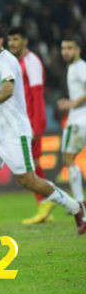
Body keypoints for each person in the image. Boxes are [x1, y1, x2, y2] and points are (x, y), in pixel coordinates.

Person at [0, 23, 86, 239]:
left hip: (14, 130)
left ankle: (76, 207)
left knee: (28, 180)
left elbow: (8, 90)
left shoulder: (7, 60)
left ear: (0, 40)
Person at [7, 27, 52, 224]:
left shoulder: (32, 62)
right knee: (31, 166)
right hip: (22, 122)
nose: (12, 43)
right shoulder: (18, 63)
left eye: (16, 39)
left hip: (31, 123)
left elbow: (37, 95)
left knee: (31, 166)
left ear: (25, 40)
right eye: (10, 40)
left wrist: (37, 125)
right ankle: (45, 206)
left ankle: (46, 203)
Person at [57, 38, 86, 207]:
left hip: (78, 120)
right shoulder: (74, 68)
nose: (65, 51)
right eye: (63, 48)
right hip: (81, 118)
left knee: (68, 159)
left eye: (69, 48)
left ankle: (79, 201)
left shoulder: (79, 67)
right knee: (70, 159)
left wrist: (74, 103)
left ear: (78, 50)